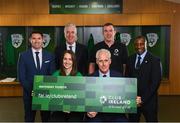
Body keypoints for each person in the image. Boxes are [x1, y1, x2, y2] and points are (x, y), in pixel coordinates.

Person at [17, 31, 55, 122]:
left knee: (46, 119)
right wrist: (33, 91)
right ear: (30, 40)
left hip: (45, 94)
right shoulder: (23, 56)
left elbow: (52, 74)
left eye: (39, 38)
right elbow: (22, 77)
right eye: (34, 38)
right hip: (29, 94)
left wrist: (43, 90)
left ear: (42, 40)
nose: (36, 41)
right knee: (29, 118)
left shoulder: (50, 56)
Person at [85, 49, 128, 122]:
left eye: (106, 60)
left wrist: (133, 99)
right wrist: (88, 111)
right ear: (97, 62)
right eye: (101, 61)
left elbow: (125, 97)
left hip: (115, 114)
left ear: (110, 61)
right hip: (97, 115)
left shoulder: (119, 77)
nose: (104, 64)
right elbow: (85, 100)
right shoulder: (89, 79)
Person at [126, 36, 162, 122]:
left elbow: (155, 83)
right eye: (136, 44)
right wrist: (132, 97)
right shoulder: (130, 59)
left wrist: (142, 99)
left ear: (146, 44)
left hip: (149, 101)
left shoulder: (155, 60)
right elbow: (127, 79)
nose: (139, 47)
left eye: (141, 44)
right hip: (133, 100)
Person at [50, 50, 84, 122]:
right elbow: (50, 93)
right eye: (65, 59)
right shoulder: (56, 75)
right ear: (62, 60)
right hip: (59, 109)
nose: (67, 62)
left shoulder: (79, 76)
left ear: (73, 61)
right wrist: (37, 93)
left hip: (75, 110)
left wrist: (70, 107)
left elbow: (82, 97)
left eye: (70, 59)